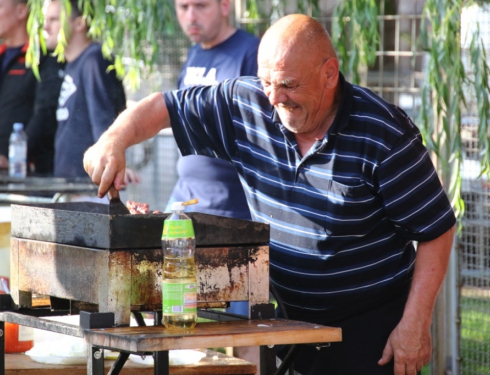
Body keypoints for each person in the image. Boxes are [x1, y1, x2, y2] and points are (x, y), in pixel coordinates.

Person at [83, 14, 456, 375]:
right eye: (266, 83)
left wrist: (415, 323)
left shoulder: (383, 133)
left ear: (329, 73)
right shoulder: (247, 104)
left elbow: (436, 230)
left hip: (372, 329)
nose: (275, 98)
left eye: (289, 85)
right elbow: (165, 107)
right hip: (291, 319)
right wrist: (113, 141)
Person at [167, 0, 259, 220]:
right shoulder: (193, 54)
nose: (191, 16)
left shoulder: (251, 53)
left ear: (225, 6)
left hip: (231, 207)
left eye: (201, 6)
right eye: (184, 7)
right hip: (183, 198)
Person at [51, 0, 127, 179]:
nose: (45, 26)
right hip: (70, 185)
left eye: (54, 19)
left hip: (90, 187)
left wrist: (110, 163)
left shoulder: (94, 60)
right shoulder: (73, 63)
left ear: (80, 23)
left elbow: (105, 119)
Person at [0, 0, 63, 175]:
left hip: (27, 175)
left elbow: (46, 113)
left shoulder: (44, 56)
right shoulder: (2, 54)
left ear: (21, 12)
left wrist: (10, 155)